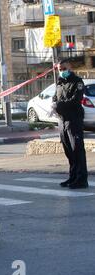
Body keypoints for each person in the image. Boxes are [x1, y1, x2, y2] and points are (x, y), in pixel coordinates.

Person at [52, 59, 88, 189]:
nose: (62, 71)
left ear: (70, 67)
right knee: (69, 151)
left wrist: (59, 105)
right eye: (60, 69)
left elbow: (75, 100)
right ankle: (73, 177)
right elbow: (55, 97)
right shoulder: (60, 83)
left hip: (74, 120)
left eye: (64, 68)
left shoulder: (77, 82)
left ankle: (81, 179)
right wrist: (54, 105)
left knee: (77, 150)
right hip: (62, 120)